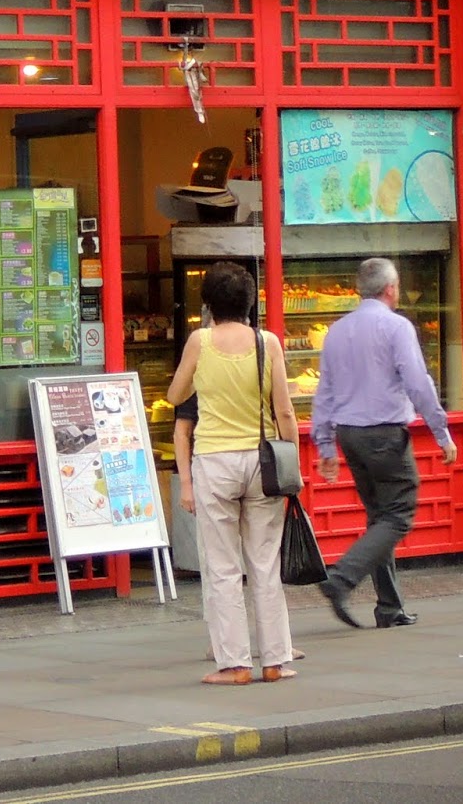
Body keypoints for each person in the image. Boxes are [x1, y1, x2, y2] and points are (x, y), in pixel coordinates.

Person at [166, 261, 299, 686]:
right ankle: (276, 659)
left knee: (223, 568)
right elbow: (284, 411)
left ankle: (235, 664)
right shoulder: (268, 343)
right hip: (262, 461)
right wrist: (292, 460)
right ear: (250, 302)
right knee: (265, 562)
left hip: (215, 461)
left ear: (207, 304)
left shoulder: (199, 341)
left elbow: (174, 395)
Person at [311, 257, 457, 630]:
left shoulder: (337, 330)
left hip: (349, 434)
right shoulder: (397, 327)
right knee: (398, 513)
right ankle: (341, 579)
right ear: (391, 288)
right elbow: (417, 382)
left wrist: (325, 445)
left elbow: (324, 391)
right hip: (385, 434)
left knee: (380, 516)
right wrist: (440, 431)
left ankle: (389, 607)